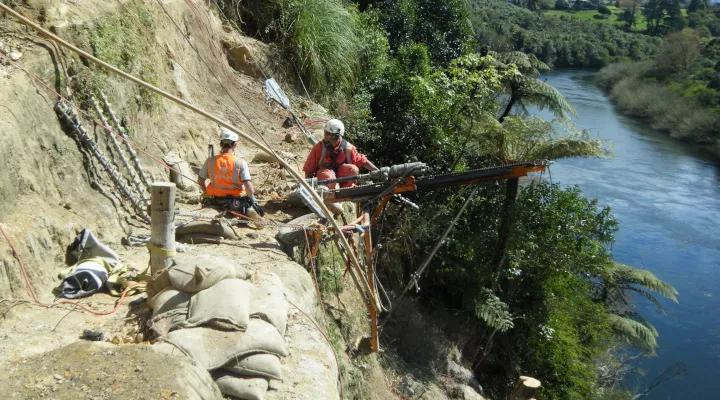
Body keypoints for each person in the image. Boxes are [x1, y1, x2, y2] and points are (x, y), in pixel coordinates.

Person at [302, 119, 378, 189]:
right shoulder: (319, 147)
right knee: (328, 176)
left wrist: (377, 171)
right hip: (325, 177)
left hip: (341, 176)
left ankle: (347, 191)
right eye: (325, 132)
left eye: (327, 133)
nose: (324, 134)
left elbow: (362, 161)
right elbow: (309, 169)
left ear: (336, 135)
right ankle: (331, 193)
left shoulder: (348, 148)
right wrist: (309, 186)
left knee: (353, 169)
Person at [198, 127, 257, 214]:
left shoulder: (210, 161)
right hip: (235, 202)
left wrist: (206, 193)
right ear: (235, 145)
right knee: (252, 208)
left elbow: (200, 181)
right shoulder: (240, 162)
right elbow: (248, 187)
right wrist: (253, 201)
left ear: (221, 144)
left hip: (214, 200)